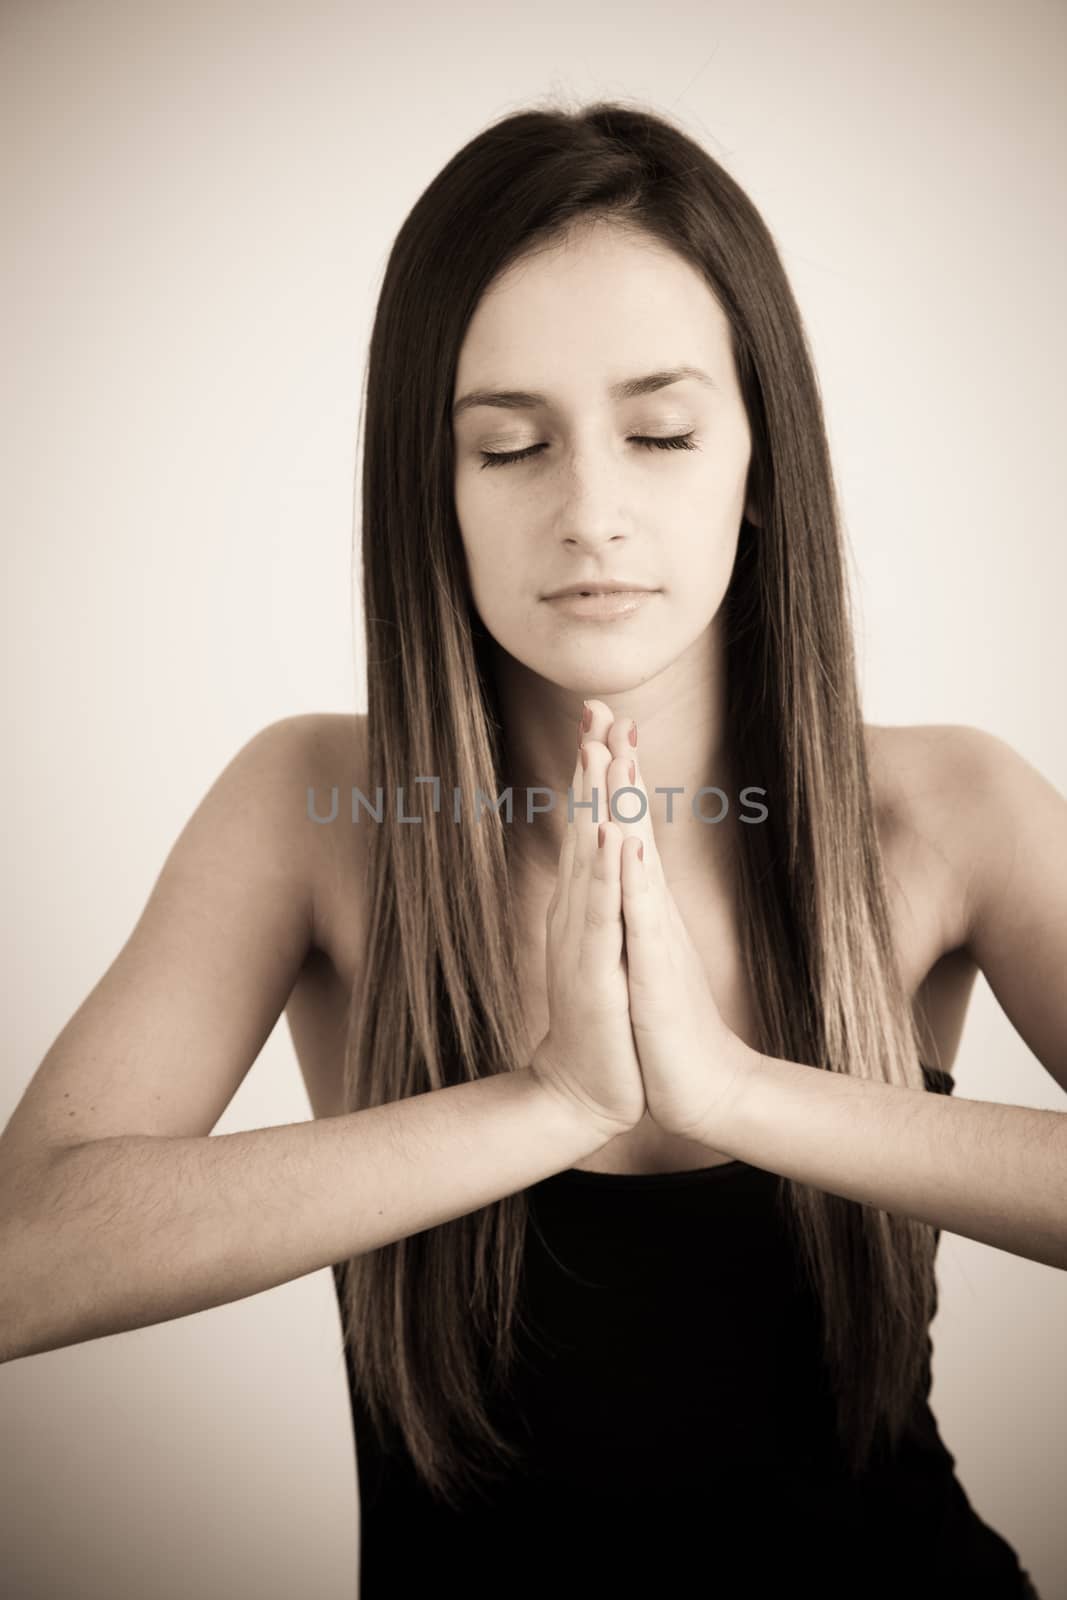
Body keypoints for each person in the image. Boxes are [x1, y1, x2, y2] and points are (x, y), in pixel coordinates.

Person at [1, 100, 1060, 1599]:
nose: (592, 513)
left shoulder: (951, 811)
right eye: (511, 447)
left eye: (661, 432)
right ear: (429, 489)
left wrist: (744, 1095)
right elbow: (23, 1258)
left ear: (760, 462)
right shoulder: (312, 805)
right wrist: (549, 1101)